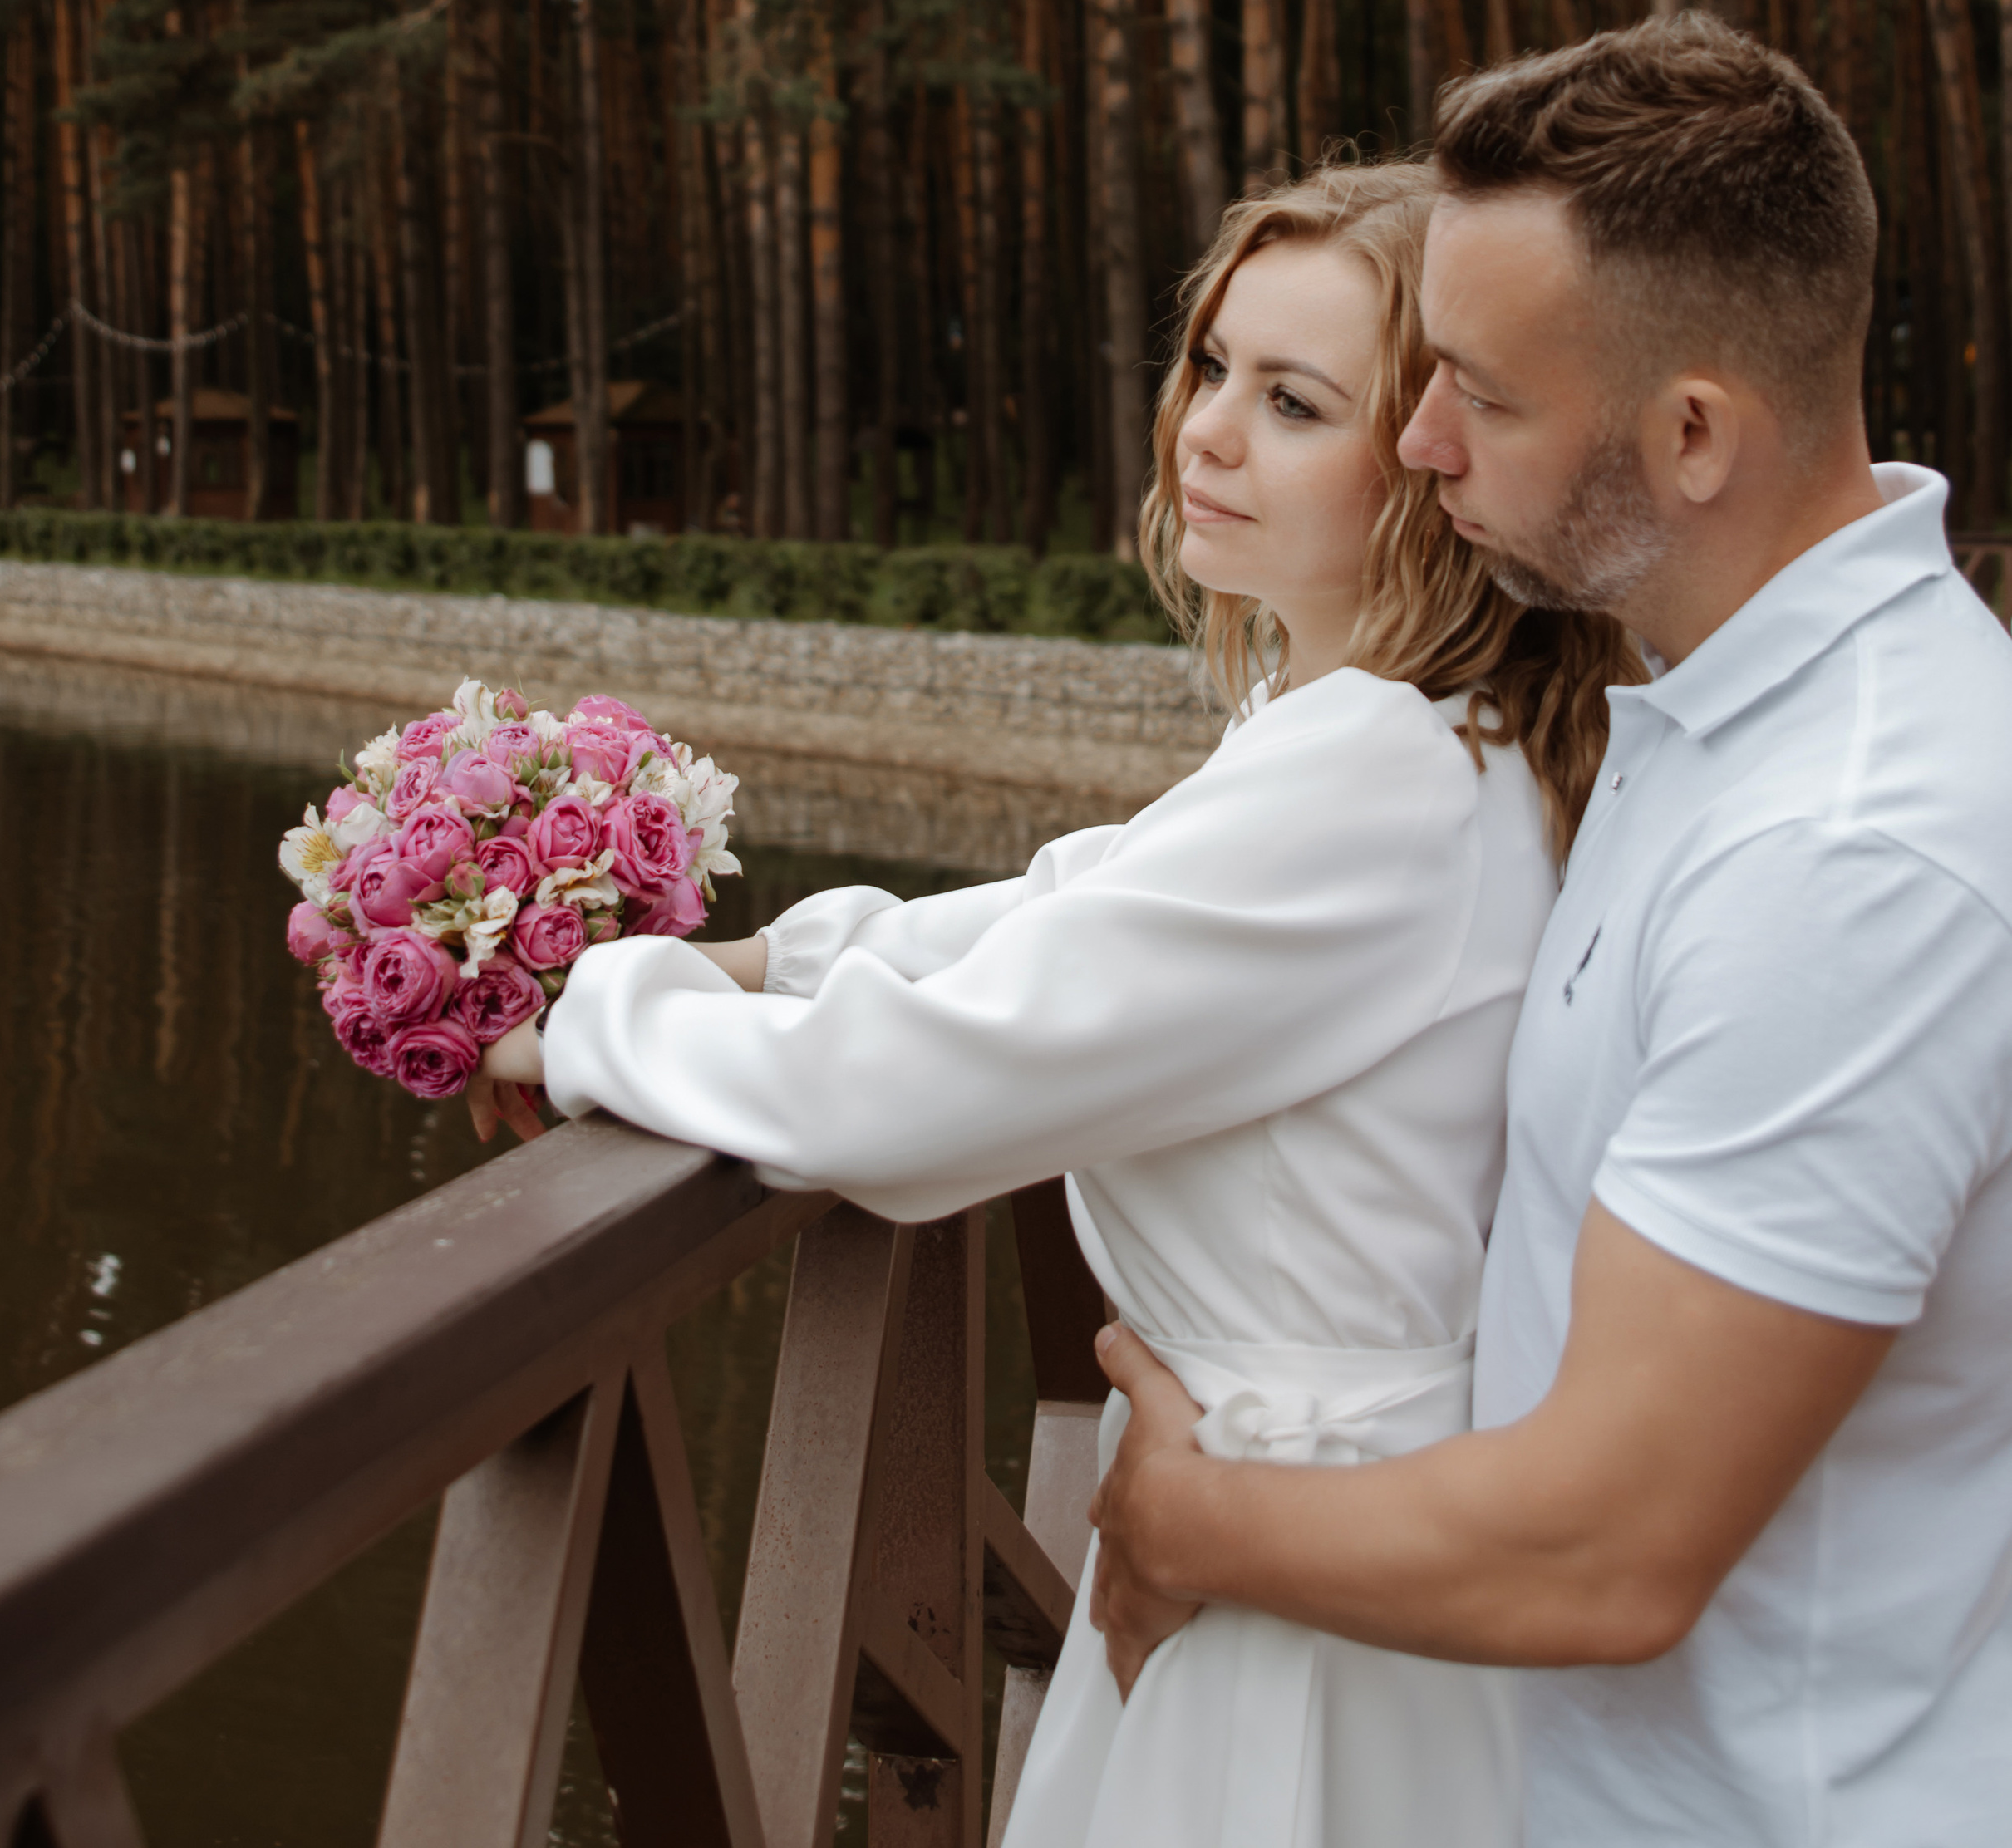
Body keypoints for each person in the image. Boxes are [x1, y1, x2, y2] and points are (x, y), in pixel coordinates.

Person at [475, 160, 1631, 1847]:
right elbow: (1078, 911)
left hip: (1294, 1564)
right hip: (1308, 1509)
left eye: (1294, 402)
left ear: (1431, 461)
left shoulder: (1372, 781)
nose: (1208, 434)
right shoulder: (1408, 733)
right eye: (1212, 368)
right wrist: (766, 956)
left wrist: (592, 1021)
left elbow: (912, 1091)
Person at [1091, 15, 2012, 1848]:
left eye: (1482, 397)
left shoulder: (1846, 853)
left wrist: (1189, 1524)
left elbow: (1607, 1549)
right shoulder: (1708, 713)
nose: (1418, 442)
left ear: (1689, 436)